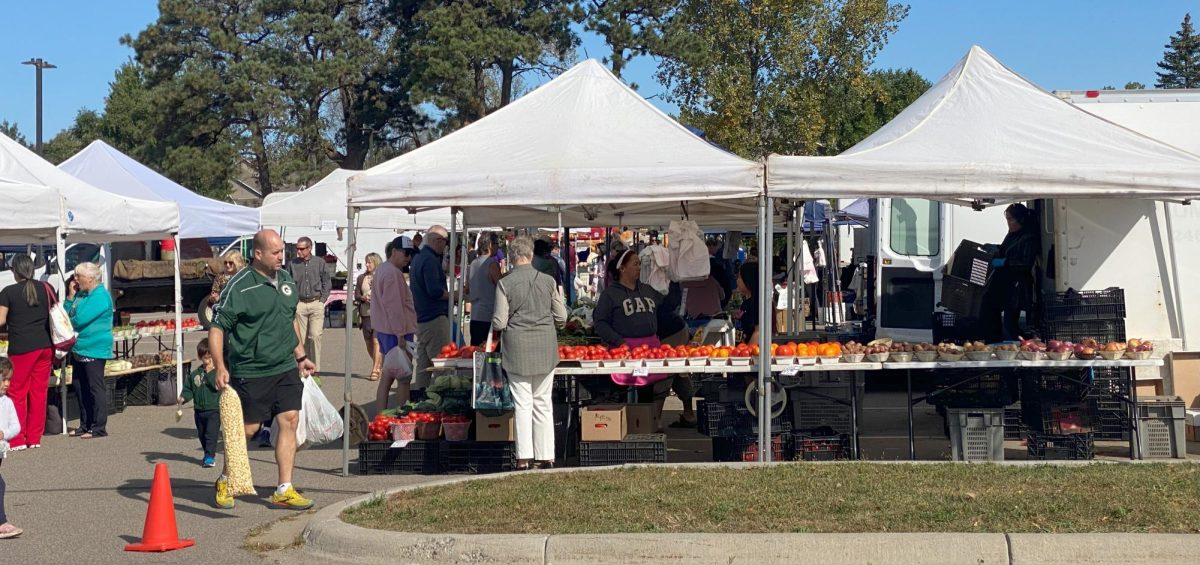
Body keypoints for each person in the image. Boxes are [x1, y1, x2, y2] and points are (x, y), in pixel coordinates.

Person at [210, 229, 317, 511]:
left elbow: (288, 319)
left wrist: (301, 355)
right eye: (276, 252)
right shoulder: (240, 286)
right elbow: (217, 327)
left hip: (284, 366)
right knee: (248, 430)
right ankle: (226, 478)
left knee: (290, 420)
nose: (282, 256)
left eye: (283, 250)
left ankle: (284, 488)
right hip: (252, 369)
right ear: (258, 254)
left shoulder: (285, 280)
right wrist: (220, 366)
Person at [491, 237, 567, 470]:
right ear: (531, 255)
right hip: (545, 346)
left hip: (517, 349)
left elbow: (499, 321)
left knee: (522, 403)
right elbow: (562, 318)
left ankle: (524, 457)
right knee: (543, 401)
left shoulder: (505, 283)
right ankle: (546, 456)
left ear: (512, 258)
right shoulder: (548, 281)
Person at [593, 250, 673, 420]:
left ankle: (644, 425)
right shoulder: (610, 294)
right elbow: (600, 322)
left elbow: (666, 305)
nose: (639, 267)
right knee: (620, 392)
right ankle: (620, 426)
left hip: (649, 351)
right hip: (625, 351)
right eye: (635, 263)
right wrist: (618, 341)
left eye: (639, 263)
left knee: (646, 391)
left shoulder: (647, 289)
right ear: (622, 268)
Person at [0, 255, 52, 450]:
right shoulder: (45, 288)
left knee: (16, 392)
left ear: (14, 271)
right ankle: (34, 438)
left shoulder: (8, 292)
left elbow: (1, 320)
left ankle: (17, 438)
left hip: (22, 347)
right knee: (38, 393)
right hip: (44, 346)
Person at [64, 262, 115, 439]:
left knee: (95, 387)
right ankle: (85, 424)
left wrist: (70, 317)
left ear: (91, 278)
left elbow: (78, 320)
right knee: (79, 386)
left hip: (95, 348)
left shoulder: (100, 296)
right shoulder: (82, 295)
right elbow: (66, 314)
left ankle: (99, 426)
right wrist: (70, 297)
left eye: (79, 276)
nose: (75, 279)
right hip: (80, 347)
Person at [980, 203, 1041, 342]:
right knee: (990, 311)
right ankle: (994, 343)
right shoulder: (1012, 235)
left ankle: (1021, 344)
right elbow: (1006, 249)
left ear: (1020, 219)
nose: (1008, 223)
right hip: (1004, 283)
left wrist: (1004, 262)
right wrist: (995, 248)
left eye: (1011, 219)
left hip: (1017, 285)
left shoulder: (1028, 237)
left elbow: (1025, 263)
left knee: (1010, 322)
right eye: (1007, 219)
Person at [371, 236, 418, 410]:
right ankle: (402, 417)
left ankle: (381, 417)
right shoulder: (392, 273)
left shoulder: (383, 269)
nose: (408, 257)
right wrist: (400, 334)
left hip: (386, 331)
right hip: (396, 333)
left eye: (410, 254)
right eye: (406, 253)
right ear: (394, 252)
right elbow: (394, 307)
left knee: (387, 377)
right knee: (403, 378)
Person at [409, 225, 451, 395]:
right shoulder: (430, 260)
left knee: (423, 366)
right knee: (442, 364)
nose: (445, 245)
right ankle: (439, 399)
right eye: (445, 242)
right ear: (437, 241)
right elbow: (435, 291)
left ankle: (420, 398)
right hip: (434, 318)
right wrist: (454, 295)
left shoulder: (418, 258)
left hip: (421, 317)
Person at [286, 236, 330, 374]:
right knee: (300, 338)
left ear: (309, 248)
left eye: (301, 249)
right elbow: (287, 283)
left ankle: (315, 369)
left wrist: (322, 300)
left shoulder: (319, 262)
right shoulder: (292, 264)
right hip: (299, 303)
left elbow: (327, 282)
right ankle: (302, 368)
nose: (298, 251)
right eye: (297, 248)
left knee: (315, 336)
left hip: (316, 301)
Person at [657, 281, 697, 428]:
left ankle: (656, 420)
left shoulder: (658, 281)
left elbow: (673, 299)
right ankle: (688, 415)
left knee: (666, 374)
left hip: (671, 331)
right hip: (672, 328)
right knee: (677, 372)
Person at [180, 338, 221, 467]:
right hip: (199, 410)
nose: (209, 362)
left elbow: (216, 386)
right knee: (202, 434)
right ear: (200, 357)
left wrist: (209, 373)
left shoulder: (217, 373)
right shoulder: (195, 374)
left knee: (211, 434)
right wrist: (183, 397)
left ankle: (210, 456)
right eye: (206, 359)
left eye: (211, 358)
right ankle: (207, 453)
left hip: (214, 409)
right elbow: (189, 389)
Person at [0, 359, 23, 538]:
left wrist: (3, 433)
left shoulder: (7, 402)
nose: (7, 383)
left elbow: (16, 427)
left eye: (9, 380)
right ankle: (1, 522)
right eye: (3, 379)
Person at [466, 233, 501, 347]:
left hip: (475, 315)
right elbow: (502, 285)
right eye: (497, 244)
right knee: (491, 352)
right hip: (489, 316)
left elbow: (467, 288)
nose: (498, 247)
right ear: (490, 245)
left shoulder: (473, 264)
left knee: (477, 353)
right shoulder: (492, 264)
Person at [355, 253, 384, 381]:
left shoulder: (382, 276)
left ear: (376, 263)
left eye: (369, 262)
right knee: (368, 342)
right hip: (366, 314)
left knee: (376, 340)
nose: (367, 264)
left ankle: (375, 369)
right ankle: (378, 363)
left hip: (379, 314)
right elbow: (356, 294)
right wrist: (363, 298)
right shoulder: (362, 278)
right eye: (366, 262)